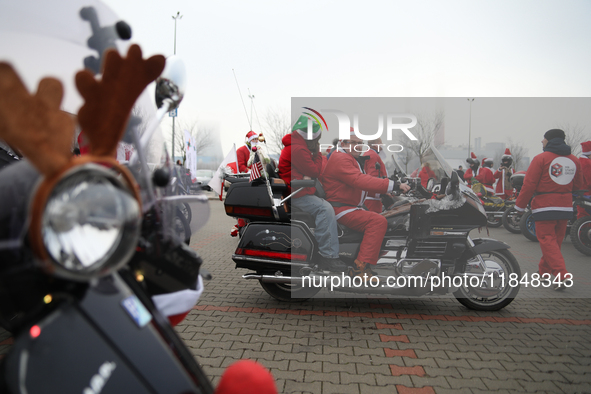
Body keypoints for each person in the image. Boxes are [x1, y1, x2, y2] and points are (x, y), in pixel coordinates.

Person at [322, 129, 411, 277]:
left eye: (360, 143)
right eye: (354, 143)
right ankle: (359, 268)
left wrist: (386, 193)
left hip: (349, 205)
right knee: (377, 222)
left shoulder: (349, 158)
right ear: (343, 143)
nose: (358, 146)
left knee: (385, 218)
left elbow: (359, 186)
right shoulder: (341, 158)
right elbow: (359, 180)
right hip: (342, 208)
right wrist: (392, 185)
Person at [514, 129, 583, 290]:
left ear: (550, 140)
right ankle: (543, 272)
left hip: (545, 206)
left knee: (547, 240)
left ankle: (562, 275)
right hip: (565, 206)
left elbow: (529, 185)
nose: (542, 142)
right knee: (554, 242)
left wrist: (519, 207)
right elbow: (579, 185)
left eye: (543, 139)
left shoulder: (541, 159)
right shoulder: (574, 160)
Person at [278, 115, 347, 273]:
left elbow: (313, 171)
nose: (317, 143)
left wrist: (311, 170)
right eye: (316, 140)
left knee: (327, 202)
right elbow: (315, 170)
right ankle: (328, 256)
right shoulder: (298, 149)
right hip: (297, 193)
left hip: (300, 189)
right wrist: (317, 154)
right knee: (325, 209)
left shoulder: (296, 145)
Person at [362, 137, 388, 213]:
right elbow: (373, 177)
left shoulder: (368, 153)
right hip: (373, 198)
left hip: (371, 196)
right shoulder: (372, 155)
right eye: (381, 142)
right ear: (375, 144)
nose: (382, 145)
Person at [577, 140, 591, 219]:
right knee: (586, 215)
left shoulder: (579, 161)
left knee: (582, 214)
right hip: (587, 193)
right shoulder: (587, 163)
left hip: (580, 192)